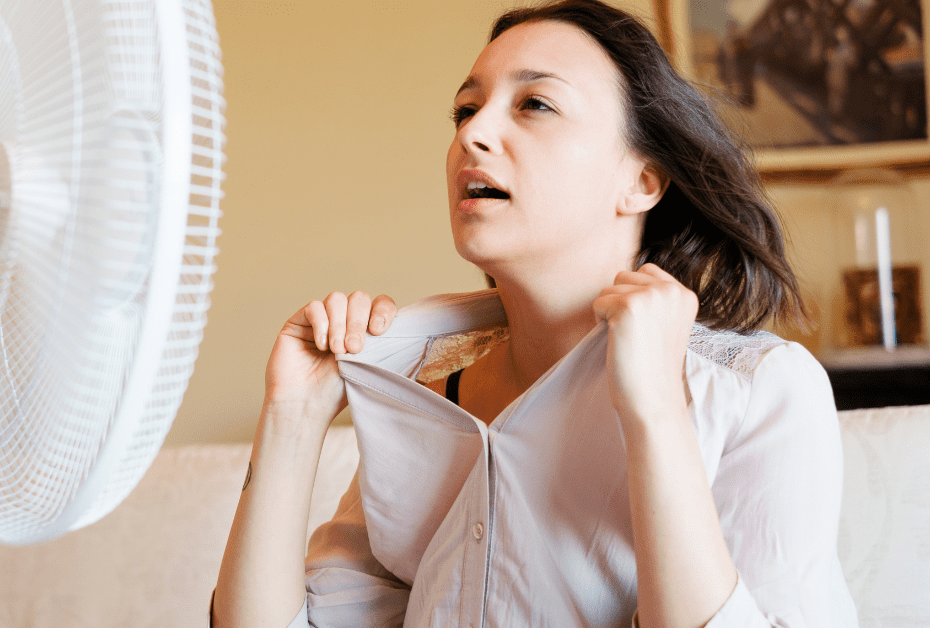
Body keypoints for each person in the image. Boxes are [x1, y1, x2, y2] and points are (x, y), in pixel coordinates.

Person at [212, 1, 858, 626]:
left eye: (536, 104)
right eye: (465, 109)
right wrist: (293, 417)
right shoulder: (422, 400)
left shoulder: (757, 389)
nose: (473, 132)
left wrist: (655, 410)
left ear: (643, 180)